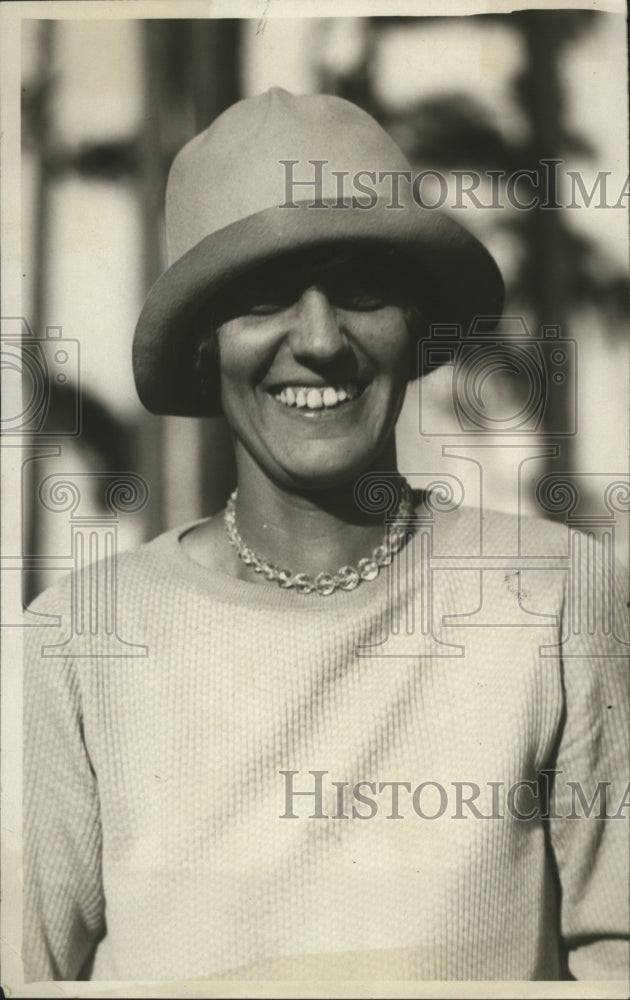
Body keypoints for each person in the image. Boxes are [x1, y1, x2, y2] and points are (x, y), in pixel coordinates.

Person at [23, 87, 629, 983]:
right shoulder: (77, 644)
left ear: (416, 324)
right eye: (264, 295)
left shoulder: (554, 596)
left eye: (361, 290)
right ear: (202, 343)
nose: (319, 340)